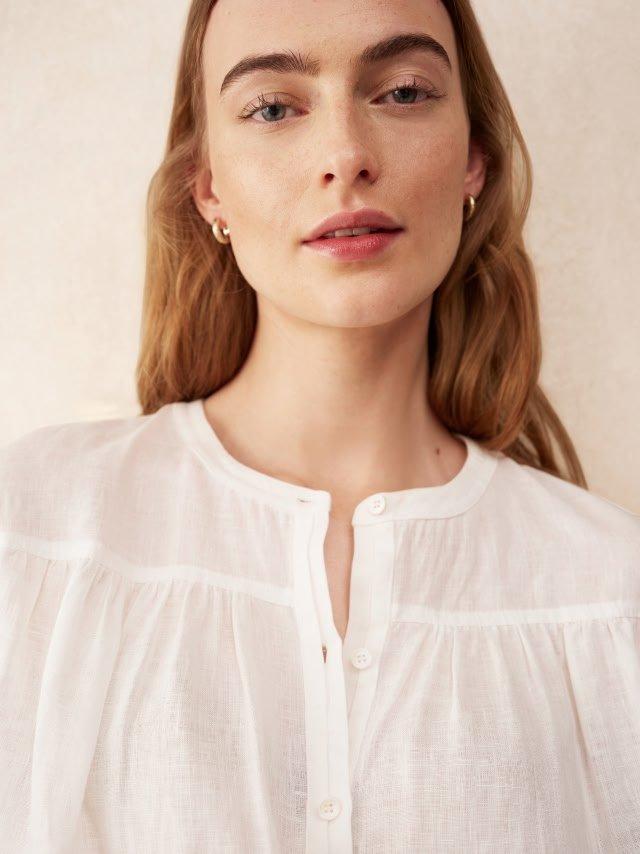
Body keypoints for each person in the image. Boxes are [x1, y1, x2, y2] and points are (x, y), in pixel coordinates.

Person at [1, 0, 639, 851]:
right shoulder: (37, 533)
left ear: (474, 160)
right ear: (209, 187)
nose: (345, 155)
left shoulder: (610, 590)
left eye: (403, 93)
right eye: (273, 108)